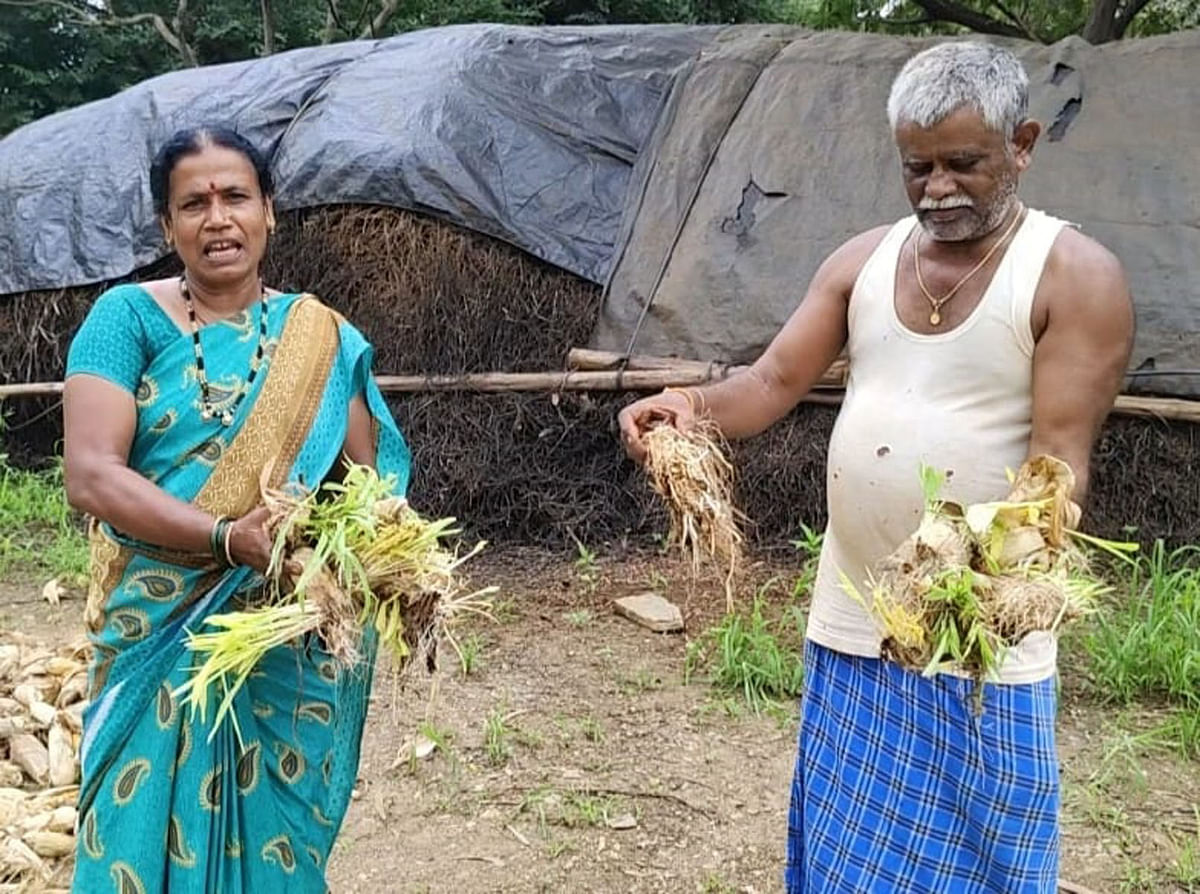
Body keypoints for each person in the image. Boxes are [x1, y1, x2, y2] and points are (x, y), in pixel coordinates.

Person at [619, 41, 1133, 892]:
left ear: (1023, 144)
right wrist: (686, 408)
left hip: (973, 636)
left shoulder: (1073, 277)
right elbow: (771, 382)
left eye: (963, 163)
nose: (938, 188)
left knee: (980, 851)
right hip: (857, 624)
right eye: (917, 167)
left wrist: (976, 582)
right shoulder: (862, 261)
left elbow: (1056, 469)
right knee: (852, 854)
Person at [62, 126, 409, 892]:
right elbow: (90, 474)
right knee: (132, 827)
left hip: (279, 637)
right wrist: (224, 536)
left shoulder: (321, 336)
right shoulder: (126, 320)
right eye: (193, 203)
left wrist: (389, 554)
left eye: (235, 197)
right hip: (157, 630)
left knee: (275, 840)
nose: (217, 219)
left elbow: (366, 485)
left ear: (269, 212)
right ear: (167, 226)